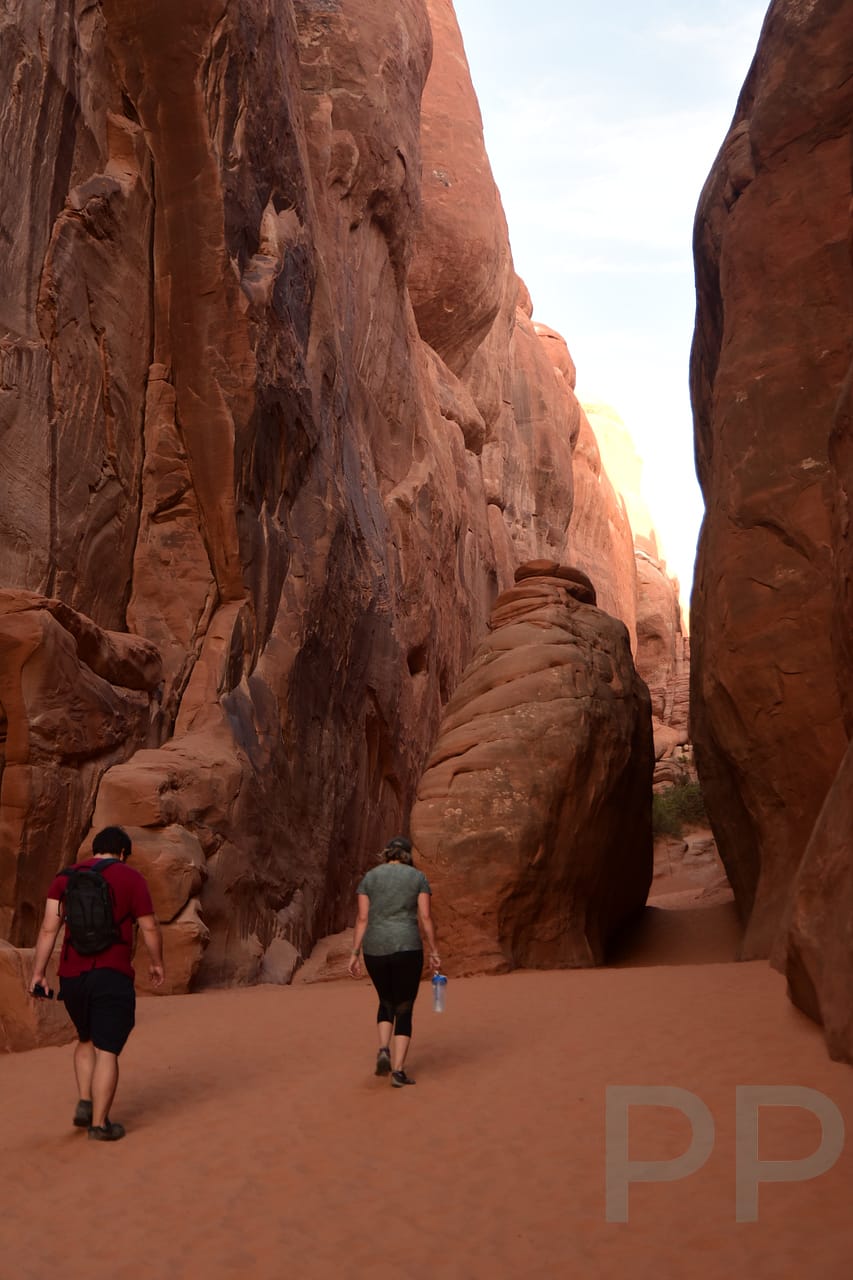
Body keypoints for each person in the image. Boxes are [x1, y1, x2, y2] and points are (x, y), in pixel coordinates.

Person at [28, 825, 165, 1141]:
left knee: (86, 1037)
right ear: (122, 853)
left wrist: (38, 973)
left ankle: (85, 1100)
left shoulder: (64, 878)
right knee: (108, 1050)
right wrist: (157, 963)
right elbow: (149, 927)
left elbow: (48, 929)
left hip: (72, 976)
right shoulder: (132, 879)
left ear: (94, 850)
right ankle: (100, 1125)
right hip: (111, 973)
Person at [347, 835, 440, 1087]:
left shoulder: (370, 878)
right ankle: (398, 1072)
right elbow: (426, 916)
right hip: (407, 947)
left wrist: (355, 953)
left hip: (375, 950)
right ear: (408, 855)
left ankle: (383, 1048)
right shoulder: (417, 877)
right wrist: (434, 950)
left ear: (387, 853)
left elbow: (362, 918)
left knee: (385, 1001)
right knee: (404, 1008)